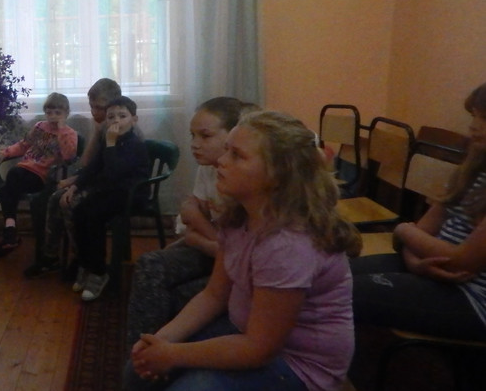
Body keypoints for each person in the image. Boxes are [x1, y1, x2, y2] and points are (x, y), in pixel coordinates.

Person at [126, 110, 362, 391]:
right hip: (247, 333)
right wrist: (161, 341)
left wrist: (172, 355)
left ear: (277, 174)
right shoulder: (239, 216)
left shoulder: (288, 245)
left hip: (299, 364)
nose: (222, 161)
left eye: (237, 155)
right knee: (137, 370)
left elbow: (258, 349)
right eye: (227, 150)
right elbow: (214, 295)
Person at [351, 81, 486, 342]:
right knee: (333, 275)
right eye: (474, 116)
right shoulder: (472, 171)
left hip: (472, 299)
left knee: (340, 292)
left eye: (484, 118)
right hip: (431, 268)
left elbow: (460, 261)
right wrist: (416, 264)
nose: (474, 125)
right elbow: (422, 230)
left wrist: (403, 229)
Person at [125, 97, 258, 348]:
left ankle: (158, 352)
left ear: (234, 135)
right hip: (215, 249)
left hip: (231, 261)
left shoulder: (244, 180)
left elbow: (234, 253)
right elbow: (190, 217)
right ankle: (141, 352)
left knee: (175, 293)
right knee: (150, 264)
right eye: (192, 135)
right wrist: (197, 231)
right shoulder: (207, 168)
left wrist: (198, 236)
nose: (194, 144)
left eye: (205, 136)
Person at [24, 78, 123, 278]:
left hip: (113, 187)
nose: (94, 112)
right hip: (93, 179)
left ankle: (81, 259)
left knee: (69, 202)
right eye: (92, 107)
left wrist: (74, 183)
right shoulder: (102, 127)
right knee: (53, 198)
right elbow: (87, 162)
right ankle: (51, 256)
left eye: (99, 108)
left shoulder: (120, 129)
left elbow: (109, 172)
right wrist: (97, 131)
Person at [68, 96, 150, 301]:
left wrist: (111, 144)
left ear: (134, 120)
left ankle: (98, 272)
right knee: (79, 210)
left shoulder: (135, 144)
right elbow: (94, 167)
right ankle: (85, 263)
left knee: (94, 215)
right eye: (111, 117)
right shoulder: (109, 141)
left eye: (122, 116)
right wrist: (76, 186)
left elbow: (114, 173)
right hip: (112, 192)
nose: (116, 121)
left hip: (131, 195)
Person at [0, 92, 79, 258]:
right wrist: (6, 152)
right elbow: (24, 145)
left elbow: (69, 156)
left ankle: (10, 233)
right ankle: (10, 232)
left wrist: (60, 130)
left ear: (66, 113)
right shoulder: (39, 127)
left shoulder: (69, 133)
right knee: (9, 185)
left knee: (8, 185)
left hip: (42, 176)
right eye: (49, 112)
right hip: (23, 171)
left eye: (58, 113)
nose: (53, 116)